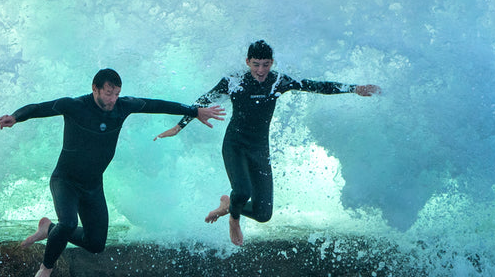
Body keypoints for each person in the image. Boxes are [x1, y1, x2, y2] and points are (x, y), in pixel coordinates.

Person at [0, 68, 225, 277]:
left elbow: (157, 105)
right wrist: (15, 117)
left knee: (96, 244)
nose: (113, 99)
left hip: (92, 186)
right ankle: (46, 268)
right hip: (65, 181)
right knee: (68, 224)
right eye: (108, 93)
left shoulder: (123, 106)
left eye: (116, 93)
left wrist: (195, 111)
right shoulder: (74, 106)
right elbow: (40, 108)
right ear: (94, 88)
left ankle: (49, 229)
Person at [156, 40, 380, 246]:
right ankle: (234, 219)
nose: (261, 70)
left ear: (272, 63)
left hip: (259, 149)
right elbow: (202, 101)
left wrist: (354, 89)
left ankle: (228, 205)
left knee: (264, 214)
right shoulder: (233, 81)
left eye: (265, 64)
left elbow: (315, 86)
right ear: (247, 62)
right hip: (235, 144)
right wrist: (179, 126)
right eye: (256, 64)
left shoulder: (278, 81)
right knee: (242, 191)